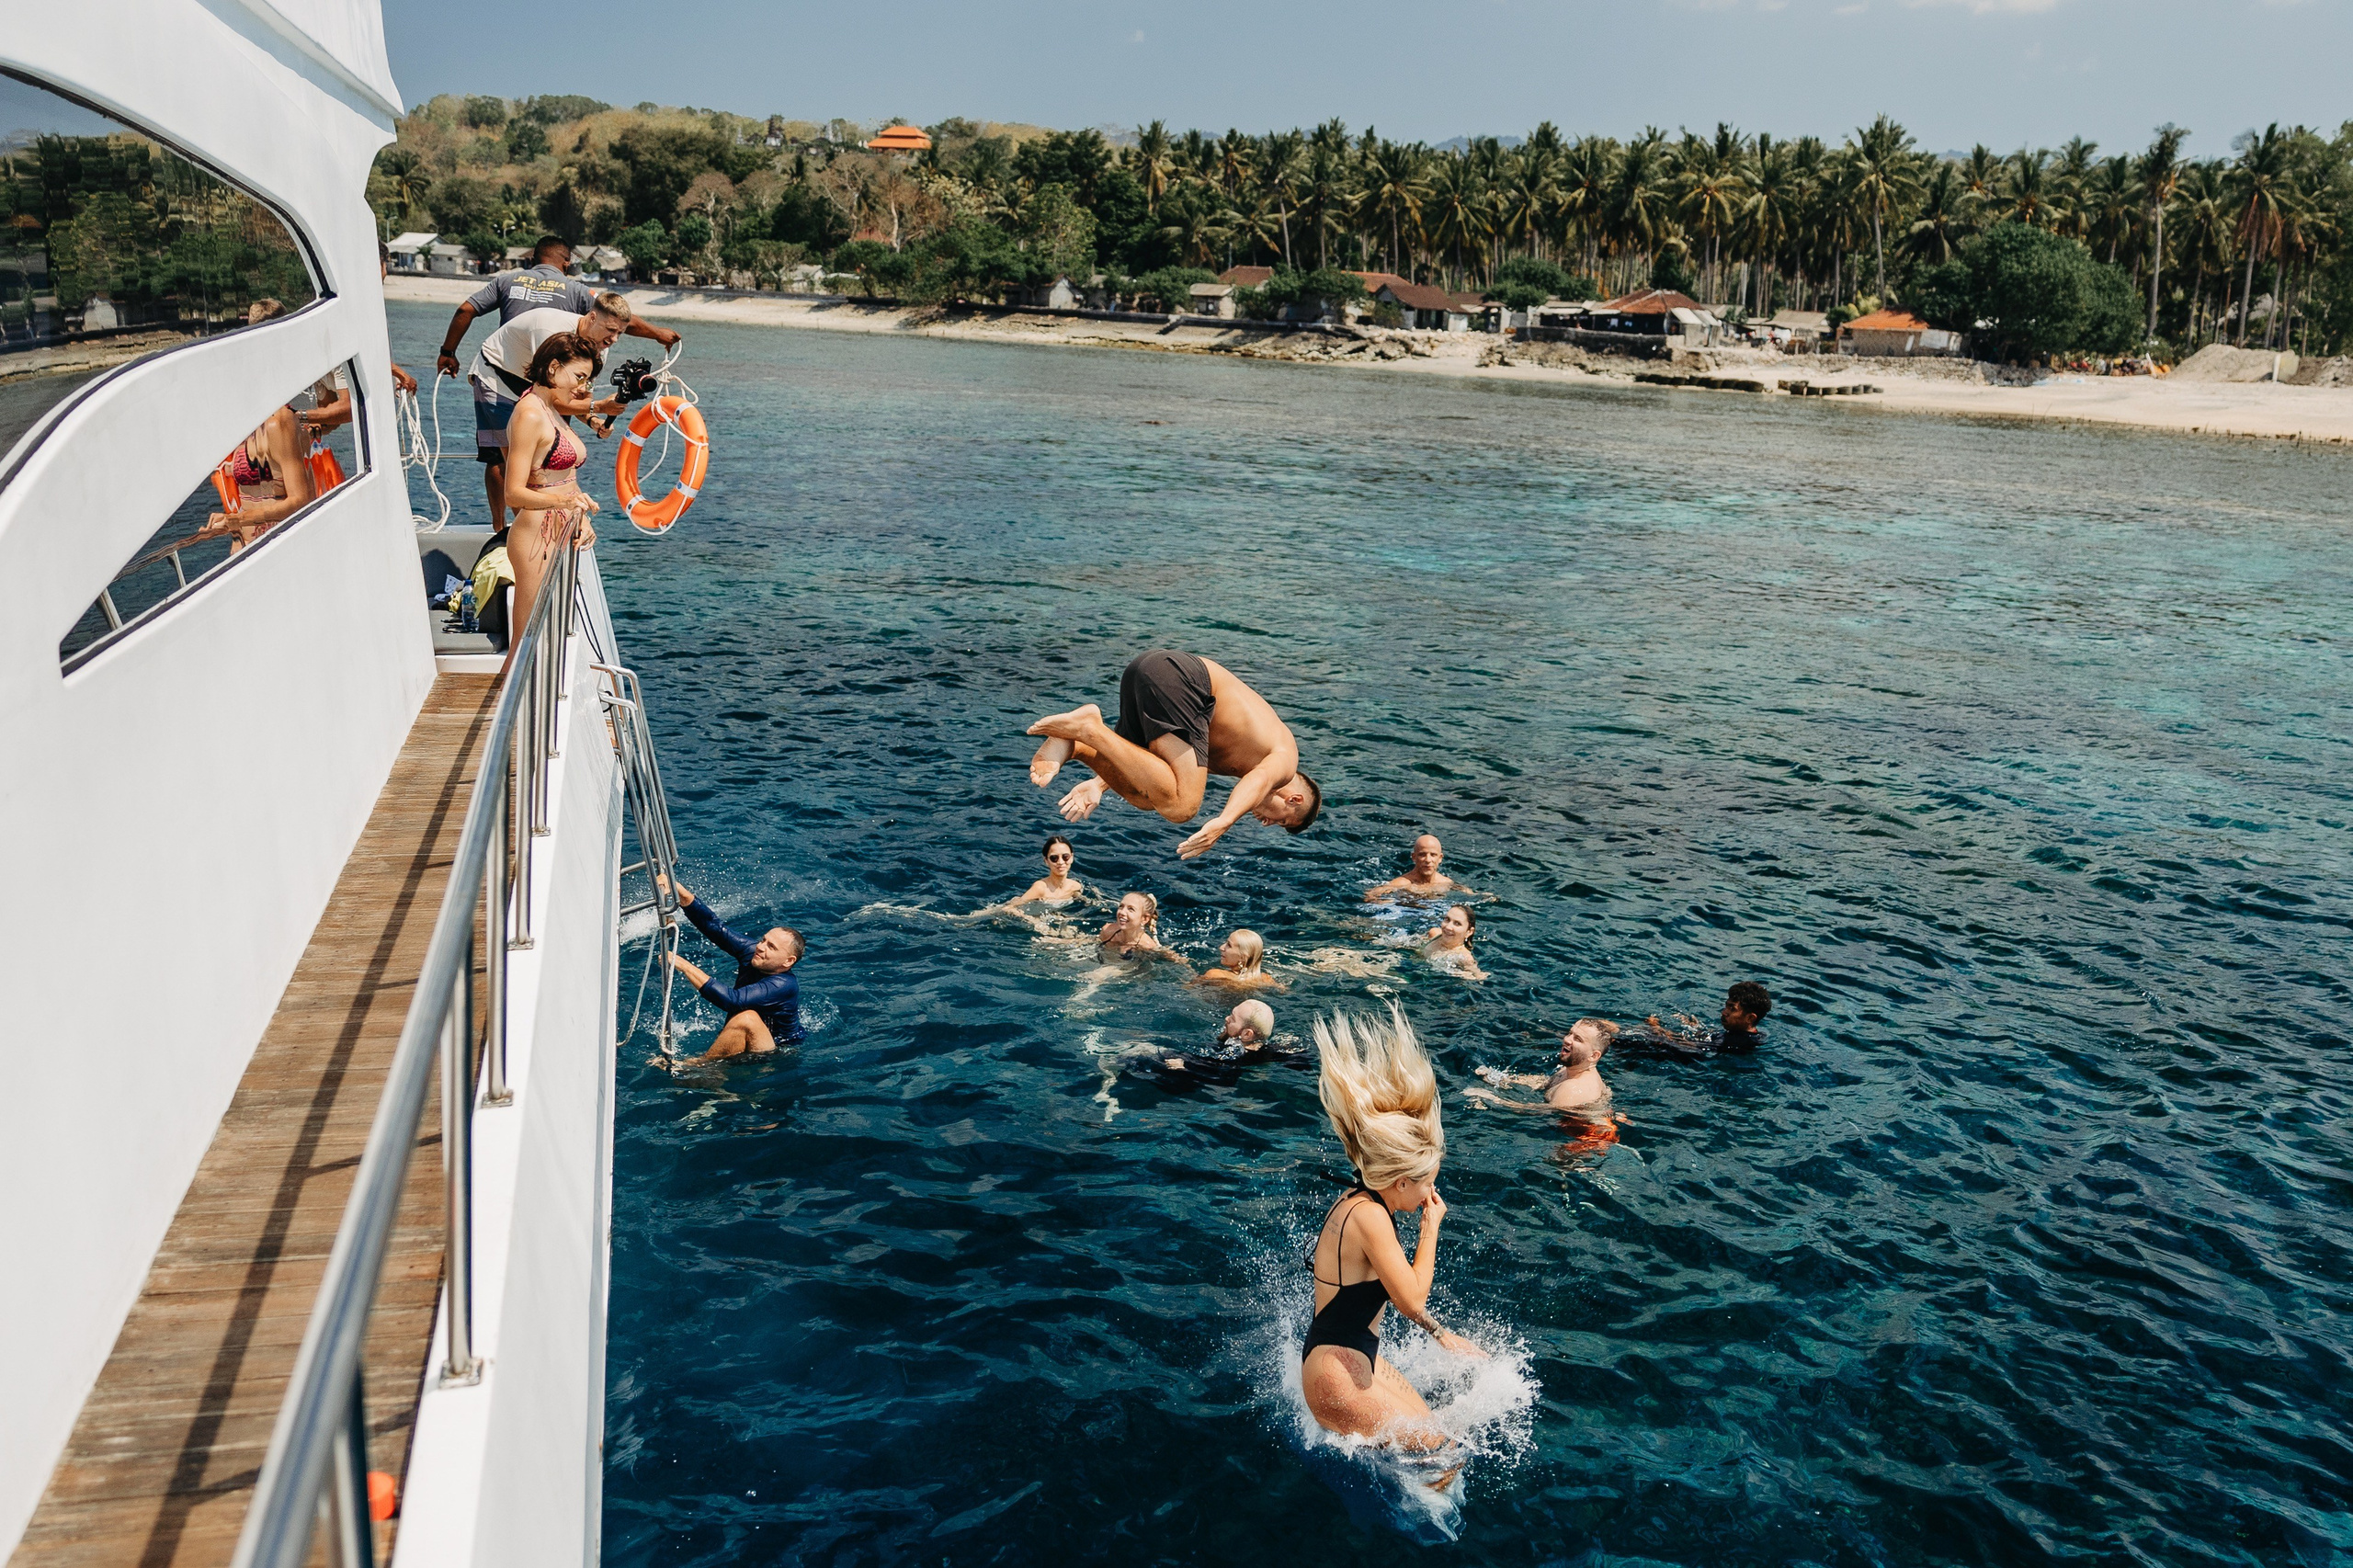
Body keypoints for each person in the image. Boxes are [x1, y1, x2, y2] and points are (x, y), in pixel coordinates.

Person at [1302, 1006, 1483, 1460]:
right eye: (1425, 1181)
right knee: (1446, 1454)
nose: (1430, 1191)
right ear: (1400, 1181)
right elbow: (1411, 1300)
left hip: (1349, 1356)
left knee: (1438, 1441)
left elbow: (1397, 1291)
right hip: (1335, 1371)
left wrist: (1442, 1336)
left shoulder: (1363, 1199)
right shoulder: (1370, 1216)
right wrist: (1431, 1229)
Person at [1026, 650, 1320, 858]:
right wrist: (1225, 820)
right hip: (1183, 681)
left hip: (1148, 671)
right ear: (1293, 799)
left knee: (1147, 796)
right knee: (1183, 807)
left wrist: (1098, 783)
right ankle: (1089, 729)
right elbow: (1260, 780)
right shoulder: (1286, 758)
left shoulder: (1242, 757)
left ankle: (1079, 746)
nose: (1266, 823)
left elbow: (1150, 764)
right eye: (1281, 821)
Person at [448, 292, 642, 532]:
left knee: (544, 457)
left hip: (537, 386)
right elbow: (555, 397)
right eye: (610, 330)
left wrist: (593, 420)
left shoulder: (600, 345)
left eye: (620, 334)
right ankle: (504, 532)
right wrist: (600, 406)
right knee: (509, 461)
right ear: (592, 317)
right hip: (497, 375)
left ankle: (540, 527)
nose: (613, 339)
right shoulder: (550, 330)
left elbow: (579, 396)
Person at [497, 332, 603, 676]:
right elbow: (513, 493)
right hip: (535, 538)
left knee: (546, 633)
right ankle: (506, 724)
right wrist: (568, 501)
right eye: (579, 377)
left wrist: (579, 516)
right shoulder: (529, 414)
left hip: (560, 531)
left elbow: (564, 477)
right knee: (526, 641)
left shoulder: (550, 408)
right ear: (554, 367)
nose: (583, 387)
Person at [656, 875, 804, 1059]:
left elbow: (732, 1000)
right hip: (748, 1041)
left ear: (788, 961)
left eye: (771, 947)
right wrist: (680, 891)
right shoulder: (755, 953)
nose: (761, 947)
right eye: (763, 939)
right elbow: (716, 929)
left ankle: (696, 1069)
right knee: (744, 1019)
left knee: (747, 1019)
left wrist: (684, 966)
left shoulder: (784, 985)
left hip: (776, 1054)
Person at [1471, 1018, 1619, 1110]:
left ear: (1594, 1056)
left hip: (1582, 1140)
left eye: (1578, 1039)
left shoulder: (1574, 1089)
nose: (1567, 1039)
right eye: (1569, 1033)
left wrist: (1491, 1099)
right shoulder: (1570, 1070)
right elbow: (1545, 1082)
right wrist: (1502, 1079)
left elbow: (1540, 1112)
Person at [1152, 998, 1276, 1081]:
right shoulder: (1265, 1049)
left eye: (1232, 1019)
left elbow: (1221, 1072)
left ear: (1247, 1034)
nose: (1227, 1019)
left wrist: (1187, 1066)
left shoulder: (1238, 1056)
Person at [1633, 982, 1771, 1054]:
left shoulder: (1737, 1041)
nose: (1724, 1012)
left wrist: (1658, 1030)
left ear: (1750, 1018)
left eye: (1732, 1009)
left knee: (1625, 1034)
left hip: (1684, 1060)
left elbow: (1690, 1046)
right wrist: (1695, 1028)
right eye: (1726, 1006)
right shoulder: (1756, 1036)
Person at [1365, 835, 1472, 900]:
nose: (1428, 860)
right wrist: (1383, 901)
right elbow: (1371, 894)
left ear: (1440, 858)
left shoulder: (1446, 882)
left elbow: (1470, 895)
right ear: (1414, 857)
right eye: (1422, 855)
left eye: (1433, 855)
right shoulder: (1403, 883)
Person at [1003, 835, 1086, 908]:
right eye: (1054, 858)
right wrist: (1034, 921)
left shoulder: (1075, 886)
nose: (1060, 862)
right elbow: (1010, 908)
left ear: (1071, 857)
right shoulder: (1040, 888)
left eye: (1065, 857)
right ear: (1046, 861)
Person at [1098, 891, 1182, 962]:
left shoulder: (1147, 946)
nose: (1122, 912)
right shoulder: (1108, 931)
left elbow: (1178, 960)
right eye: (1121, 906)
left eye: (1131, 909)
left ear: (1144, 919)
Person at [1194, 928, 1284, 991]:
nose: (1221, 947)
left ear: (1243, 957)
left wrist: (1183, 965)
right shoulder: (1266, 980)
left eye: (1229, 945)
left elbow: (1189, 990)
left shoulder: (1215, 975)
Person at [1419, 905, 1485, 981]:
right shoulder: (1434, 933)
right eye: (1447, 919)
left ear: (1469, 932)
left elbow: (1479, 978)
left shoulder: (1465, 958)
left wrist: (1462, 974)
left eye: (1457, 923)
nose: (1448, 927)